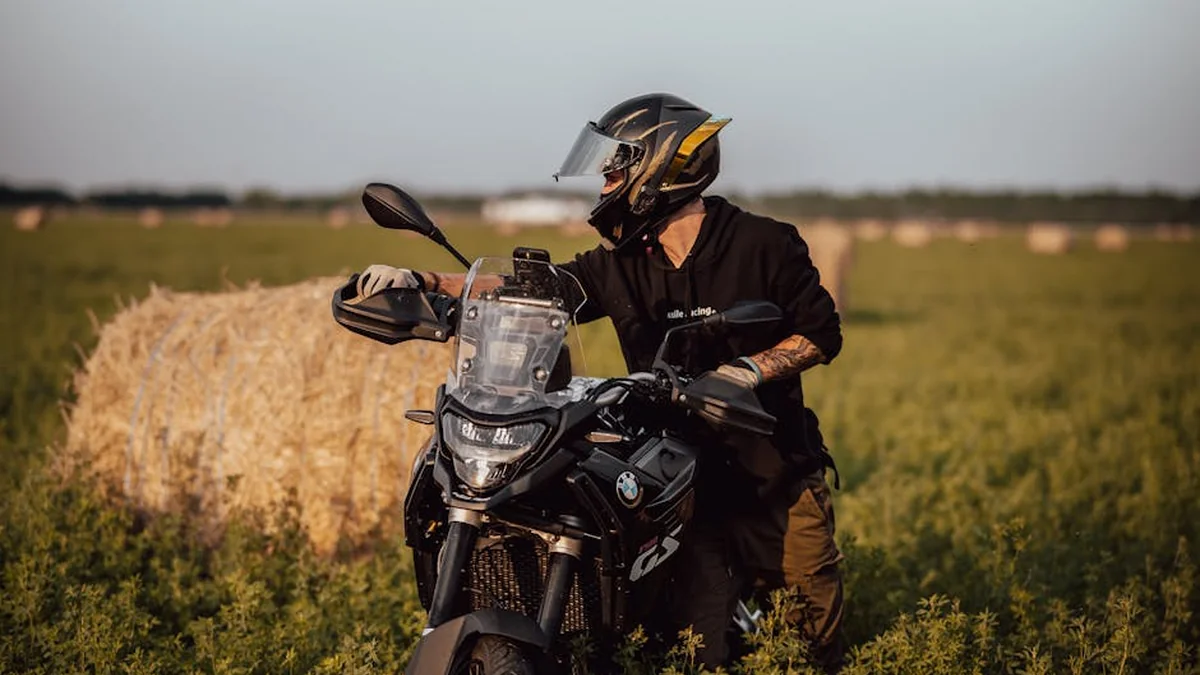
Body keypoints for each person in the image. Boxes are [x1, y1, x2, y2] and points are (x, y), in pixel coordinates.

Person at [357, 93, 846, 672]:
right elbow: (538, 288)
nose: (605, 183)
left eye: (614, 169)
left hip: (771, 473)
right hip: (674, 479)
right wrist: (424, 280)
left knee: (811, 643)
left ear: (661, 168)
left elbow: (820, 333)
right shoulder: (621, 260)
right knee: (695, 650)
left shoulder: (763, 243)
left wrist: (746, 371)